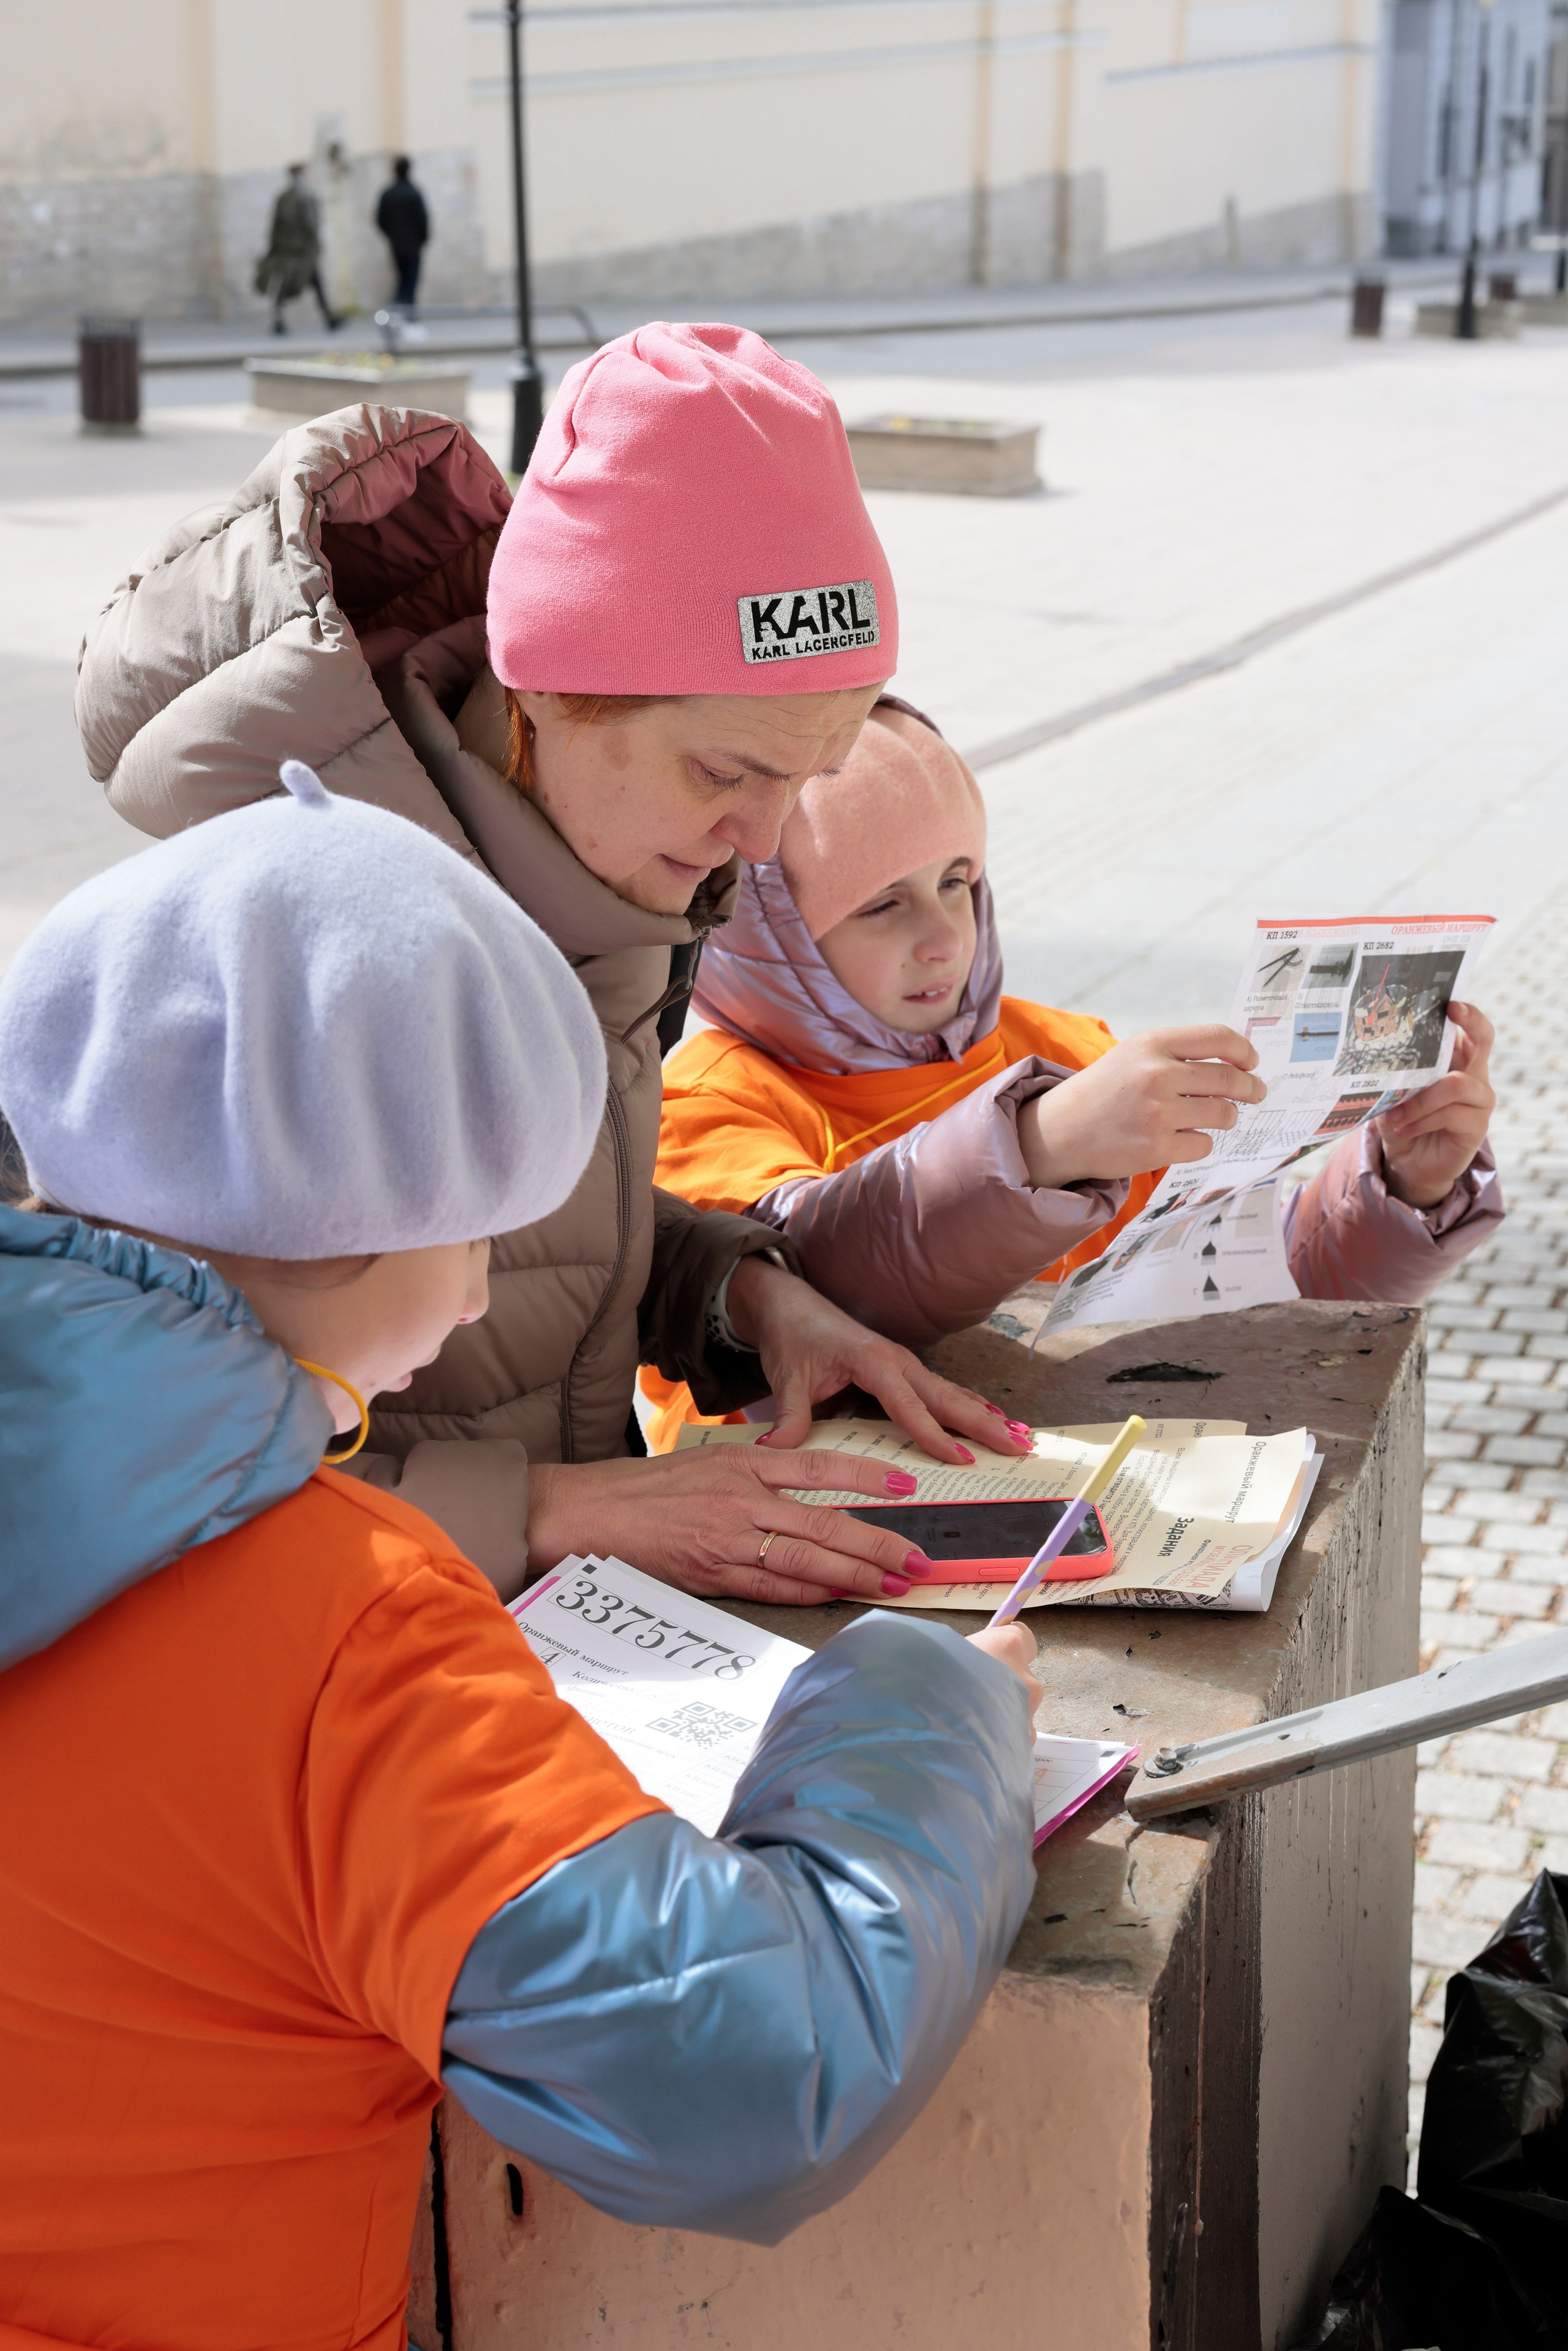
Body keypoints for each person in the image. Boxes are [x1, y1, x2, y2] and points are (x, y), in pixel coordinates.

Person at [0, 760, 1040, 2350]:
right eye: (483, 1224)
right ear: (357, 1214)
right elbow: (755, 2073)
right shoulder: (343, 1621)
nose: (483, 1297)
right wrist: (932, 1706)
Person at [73, 325, 1031, 1613]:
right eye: (724, 775)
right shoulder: (276, 926)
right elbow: (130, 1473)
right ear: (550, 690)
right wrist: (543, 1509)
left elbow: (544, 1239)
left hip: (540, 1633)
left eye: (803, 778)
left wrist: (736, 1295)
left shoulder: (594, 862)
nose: (760, 849)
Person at [642, 700, 1504, 1448]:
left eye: (957, 881)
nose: (944, 934)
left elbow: (1230, 1278)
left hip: (1100, 1478)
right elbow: (794, 1277)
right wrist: (1039, 1142)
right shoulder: (708, 1099)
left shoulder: (1056, 1046)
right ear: (771, 932)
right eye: (881, 904)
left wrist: (1398, 1190)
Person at [256, 162, 341, 335]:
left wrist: (274, 248)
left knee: (287, 285)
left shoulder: (283, 197)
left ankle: (281, 319)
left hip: (285, 250)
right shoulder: (306, 196)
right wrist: (316, 247)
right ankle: (328, 318)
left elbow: (275, 226)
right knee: (311, 283)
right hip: (302, 252)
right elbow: (311, 225)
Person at [375, 155, 430, 314]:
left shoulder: (388, 194)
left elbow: (380, 220)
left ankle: (401, 311)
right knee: (410, 282)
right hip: (413, 246)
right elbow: (423, 221)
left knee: (402, 279)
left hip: (397, 245)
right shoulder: (413, 193)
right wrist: (422, 239)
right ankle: (406, 314)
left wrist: (391, 235)